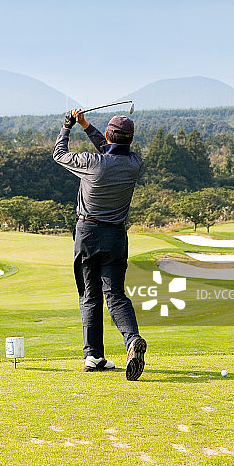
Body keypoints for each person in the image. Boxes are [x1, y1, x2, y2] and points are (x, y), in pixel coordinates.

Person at [53, 108, 147, 381]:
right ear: (130, 141)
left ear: (108, 135)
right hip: (116, 237)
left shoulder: (92, 163)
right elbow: (111, 148)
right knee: (115, 294)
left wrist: (68, 126)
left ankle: (93, 356)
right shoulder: (134, 163)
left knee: (89, 294)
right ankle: (132, 340)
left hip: (88, 233)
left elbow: (59, 153)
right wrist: (86, 125)